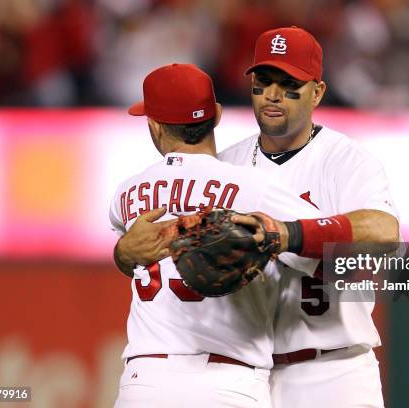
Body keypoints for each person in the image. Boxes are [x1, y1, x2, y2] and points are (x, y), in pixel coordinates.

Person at [114, 27, 400, 408]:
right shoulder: (225, 167)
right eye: (263, 82)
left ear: (317, 92)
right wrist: (124, 253)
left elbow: (384, 232)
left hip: (333, 366)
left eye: (289, 83)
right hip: (250, 375)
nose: (273, 94)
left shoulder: (347, 161)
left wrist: (288, 233)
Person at [109, 63, 323, 408]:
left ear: (154, 126)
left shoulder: (127, 194)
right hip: (229, 381)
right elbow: (336, 248)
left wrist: (122, 253)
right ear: (217, 115)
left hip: (144, 381)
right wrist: (279, 238)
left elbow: (132, 260)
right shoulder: (254, 186)